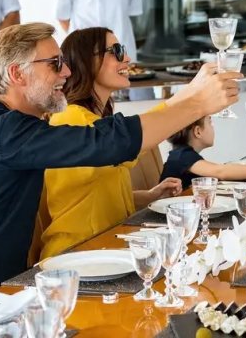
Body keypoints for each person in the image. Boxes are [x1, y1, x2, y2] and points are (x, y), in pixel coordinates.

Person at [0, 23, 240, 298]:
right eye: (54, 64)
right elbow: (108, 143)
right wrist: (197, 103)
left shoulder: (14, 130)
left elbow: (107, 143)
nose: (67, 72)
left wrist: (192, 98)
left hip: (3, 292)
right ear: (17, 73)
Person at [39, 27, 184, 259]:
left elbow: (90, 196)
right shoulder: (71, 118)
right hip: (76, 255)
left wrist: (148, 196)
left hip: (104, 248)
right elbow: (132, 141)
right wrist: (193, 98)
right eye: (116, 51)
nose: (127, 58)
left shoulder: (94, 120)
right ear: (88, 61)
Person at [160, 115, 246, 190]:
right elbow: (220, 172)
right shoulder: (182, 156)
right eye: (210, 122)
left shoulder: (182, 154)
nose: (213, 126)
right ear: (198, 132)